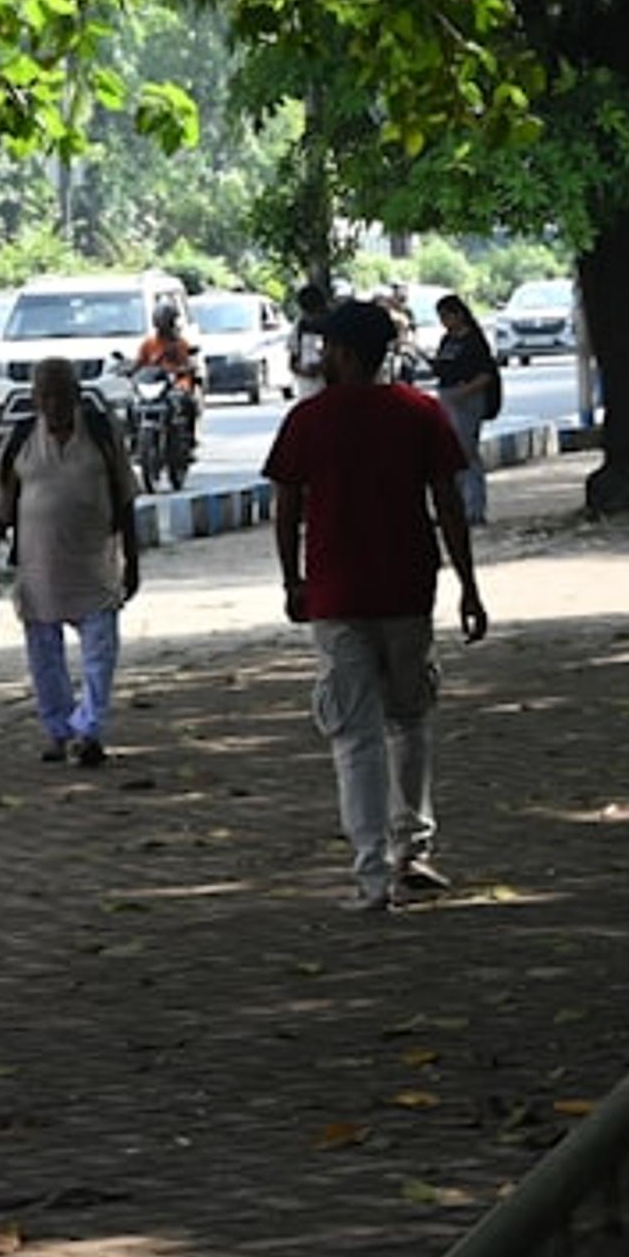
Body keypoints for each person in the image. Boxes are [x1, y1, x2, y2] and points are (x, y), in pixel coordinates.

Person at [263, 299, 487, 913]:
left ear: (340, 352)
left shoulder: (307, 420)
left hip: (336, 596)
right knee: (409, 720)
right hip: (407, 589)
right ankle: (412, 849)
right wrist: (469, 585)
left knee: (354, 735)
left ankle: (370, 878)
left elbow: (286, 508)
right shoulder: (419, 414)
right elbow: (449, 505)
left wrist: (292, 580)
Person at [0, 357, 137, 766]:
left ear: (77, 396)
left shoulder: (100, 433)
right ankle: (59, 730)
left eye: (61, 394)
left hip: (94, 567)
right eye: (45, 395)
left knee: (100, 654)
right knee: (44, 658)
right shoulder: (22, 438)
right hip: (40, 569)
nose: (54, 403)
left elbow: (125, 498)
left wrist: (133, 559)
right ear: (35, 399)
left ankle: (89, 730)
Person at [427, 292, 504, 522]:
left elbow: (486, 374)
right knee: (449, 453)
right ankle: (454, 507)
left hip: (468, 399)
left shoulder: (474, 341)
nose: (444, 322)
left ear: (458, 315)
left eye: (447, 316)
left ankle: (474, 509)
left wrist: (465, 391)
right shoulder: (447, 340)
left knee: (466, 454)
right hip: (448, 395)